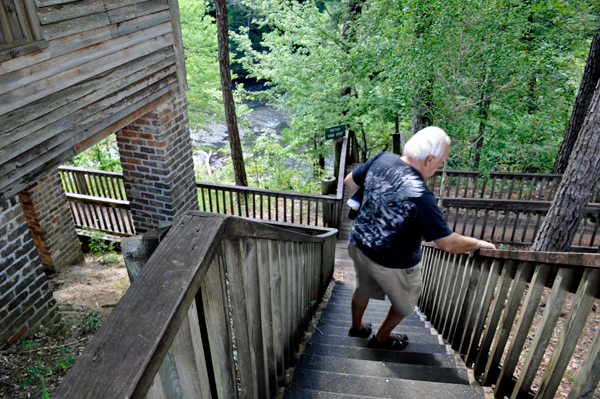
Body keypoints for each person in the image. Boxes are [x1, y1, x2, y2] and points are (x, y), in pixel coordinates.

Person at [344, 126, 496, 350]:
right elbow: (447, 242)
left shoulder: (382, 159)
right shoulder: (420, 195)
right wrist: (479, 243)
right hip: (393, 263)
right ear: (430, 159)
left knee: (363, 288)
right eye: (440, 161)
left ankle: (356, 327)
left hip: (359, 244)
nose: (439, 165)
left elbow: (350, 181)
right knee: (405, 303)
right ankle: (382, 339)